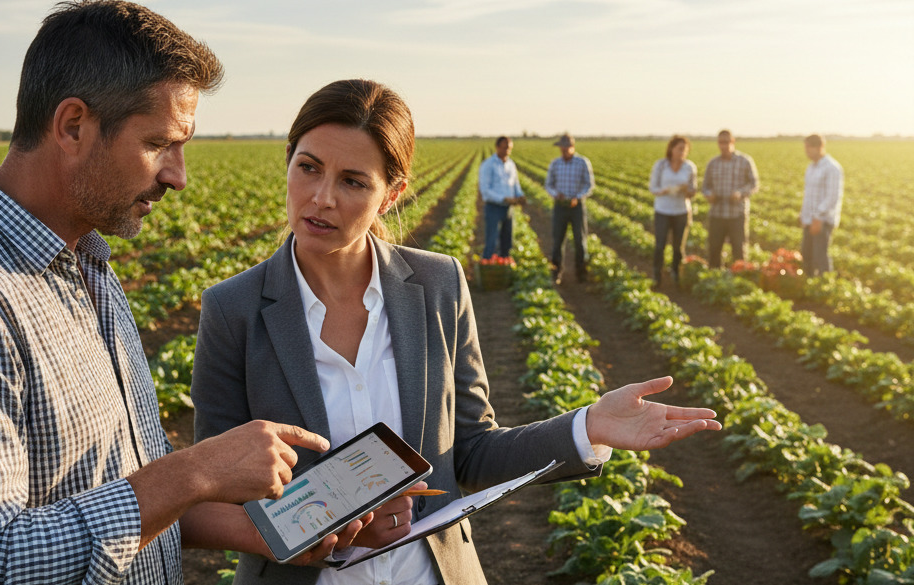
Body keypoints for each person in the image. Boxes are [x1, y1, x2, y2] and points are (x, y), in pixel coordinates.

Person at [0, 3, 366, 583]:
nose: (177, 176)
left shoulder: (85, 261)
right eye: (159, 144)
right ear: (72, 127)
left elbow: (102, 488)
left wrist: (259, 529)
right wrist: (192, 473)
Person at [191, 79, 722, 585]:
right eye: (308, 168)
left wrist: (589, 427)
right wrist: (329, 528)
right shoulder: (232, 309)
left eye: (353, 181)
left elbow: (469, 452)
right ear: (289, 162)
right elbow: (214, 494)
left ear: (392, 193)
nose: (321, 197)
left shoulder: (438, 284)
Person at [701, 129, 759, 268]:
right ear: (718, 144)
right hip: (717, 213)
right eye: (721, 142)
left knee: (738, 249)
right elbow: (705, 186)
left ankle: (739, 279)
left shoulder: (745, 161)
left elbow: (754, 184)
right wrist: (709, 194)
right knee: (714, 249)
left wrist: (740, 193)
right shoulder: (713, 163)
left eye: (727, 142)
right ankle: (715, 278)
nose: (724, 145)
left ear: (733, 142)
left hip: (737, 214)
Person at [545, 133, 595, 283]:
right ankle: (556, 270)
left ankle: (581, 271)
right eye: (562, 148)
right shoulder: (555, 164)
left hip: (577, 206)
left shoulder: (582, 162)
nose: (564, 150)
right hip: (560, 206)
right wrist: (556, 194)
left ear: (573, 147)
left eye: (567, 148)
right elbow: (548, 184)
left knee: (580, 240)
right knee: (558, 239)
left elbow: (589, 185)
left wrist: (577, 197)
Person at [648, 135, 697, 286]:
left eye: (685, 149)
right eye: (679, 149)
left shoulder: (689, 167)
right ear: (671, 149)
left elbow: (693, 191)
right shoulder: (661, 165)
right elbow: (652, 187)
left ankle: (676, 273)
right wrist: (664, 190)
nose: (682, 152)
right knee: (660, 244)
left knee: (678, 246)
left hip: (681, 211)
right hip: (663, 210)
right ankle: (657, 274)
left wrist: (686, 190)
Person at [799, 134, 844, 277]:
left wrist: (818, 218)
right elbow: (809, 195)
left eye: (808, 148)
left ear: (819, 147)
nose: (806, 151)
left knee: (820, 255)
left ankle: (825, 286)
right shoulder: (811, 167)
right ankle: (809, 283)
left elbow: (832, 197)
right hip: (809, 219)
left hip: (822, 221)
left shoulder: (832, 168)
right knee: (806, 254)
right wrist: (803, 215)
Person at [478, 136, 524, 264]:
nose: (506, 151)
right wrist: (504, 198)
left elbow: (515, 185)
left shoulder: (511, 164)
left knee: (506, 241)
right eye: (504, 148)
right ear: (497, 147)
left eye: (509, 148)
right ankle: (487, 266)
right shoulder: (488, 165)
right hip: (493, 207)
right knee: (491, 240)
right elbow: (485, 191)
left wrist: (520, 196)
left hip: (508, 209)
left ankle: (503, 266)